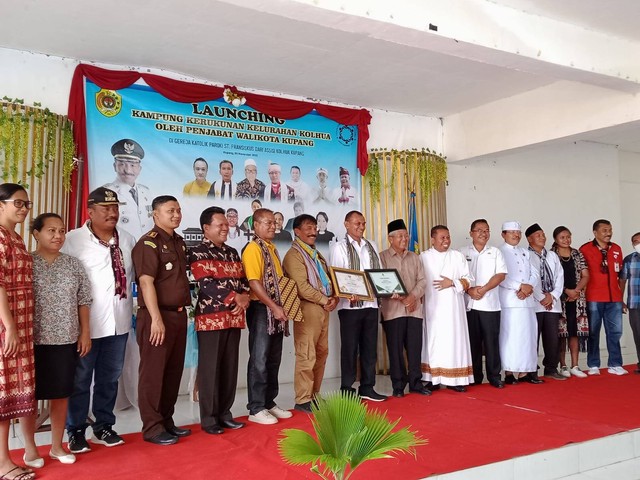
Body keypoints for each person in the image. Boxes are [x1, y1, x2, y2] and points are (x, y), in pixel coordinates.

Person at [62, 187, 135, 453]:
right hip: (87, 325)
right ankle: (76, 430)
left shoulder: (127, 239)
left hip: (119, 323)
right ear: (90, 211)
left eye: (115, 208)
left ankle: (104, 425)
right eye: (106, 209)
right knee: (80, 379)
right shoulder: (73, 240)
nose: (112, 213)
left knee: (109, 378)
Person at [24, 213, 92, 468]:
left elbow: (84, 300)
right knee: (28, 397)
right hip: (31, 340)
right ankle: (30, 449)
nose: (58, 236)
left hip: (65, 339)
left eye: (62, 231)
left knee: (61, 395)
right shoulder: (26, 262)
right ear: (36, 234)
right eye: (51, 231)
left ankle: (56, 446)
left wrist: (85, 332)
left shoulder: (73, 264)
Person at [132, 195, 192, 445]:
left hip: (178, 316)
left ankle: (167, 421)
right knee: (153, 374)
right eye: (170, 211)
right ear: (155, 215)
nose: (176, 215)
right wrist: (156, 320)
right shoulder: (148, 244)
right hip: (157, 317)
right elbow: (145, 282)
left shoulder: (179, 242)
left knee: (172, 373)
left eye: (178, 210)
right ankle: (152, 427)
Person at [188, 206, 250, 434]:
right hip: (211, 321)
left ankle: (225, 413)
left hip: (234, 319)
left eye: (226, 224)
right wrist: (236, 298)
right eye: (220, 225)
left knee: (229, 368)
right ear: (206, 228)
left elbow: (243, 281)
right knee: (210, 370)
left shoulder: (233, 252)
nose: (226, 228)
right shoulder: (197, 252)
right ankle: (209, 419)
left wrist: (244, 298)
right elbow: (207, 284)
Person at [241, 208, 293, 424]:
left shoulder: (271, 248)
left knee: (273, 358)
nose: (272, 226)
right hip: (262, 309)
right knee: (260, 359)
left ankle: (269, 402)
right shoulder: (253, 248)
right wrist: (274, 306)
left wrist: (285, 305)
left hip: (275, 310)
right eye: (267, 223)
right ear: (255, 225)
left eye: (274, 222)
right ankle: (255, 408)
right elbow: (254, 282)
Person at [0, 183, 37, 480]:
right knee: (3, 396)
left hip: (20, 325)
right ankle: (2, 463)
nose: (24, 209)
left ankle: (7, 459)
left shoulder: (16, 238)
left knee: (13, 395)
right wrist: (10, 326)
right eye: (18, 203)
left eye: (27, 204)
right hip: (6, 326)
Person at [283, 214, 338, 413]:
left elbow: (327, 279)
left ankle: (314, 395)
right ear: (297, 231)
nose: (313, 231)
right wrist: (325, 299)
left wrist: (334, 296)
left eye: (314, 227)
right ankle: (303, 399)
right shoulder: (294, 255)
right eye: (308, 227)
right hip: (307, 308)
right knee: (307, 353)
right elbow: (301, 287)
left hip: (323, 307)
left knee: (322, 352)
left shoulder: (315, 253)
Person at [329, 210, 386, 401]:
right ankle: (346, 388)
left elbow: (376, 273)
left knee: (370, 348)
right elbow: (338, 275)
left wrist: (386, 289)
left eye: (363, 223)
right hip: (349, 306)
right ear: (346, 224)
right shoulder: (339, 247)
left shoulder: (372, 245)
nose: (361, 227)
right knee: (350, 348)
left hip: (370, 304)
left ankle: (367, 387)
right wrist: (346, 291)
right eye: (356, 223)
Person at [420, 225, 474, 392]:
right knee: (434, 341)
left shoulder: (457, 256)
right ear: (433, 239)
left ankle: (455, 379)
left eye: (448, 237)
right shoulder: (423, 257)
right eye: (442, 237)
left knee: (453, 341)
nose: (446, 241)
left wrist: (452, 283)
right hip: (432, 307)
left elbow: (469, 279)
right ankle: (432, 379)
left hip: (453, 309)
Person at [379, 219, 429, 397]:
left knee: (415, 349)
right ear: (390, 238)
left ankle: (416, 383)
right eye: (400, 236)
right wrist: (398, 296)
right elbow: (380, 280)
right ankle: (398, 386)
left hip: (414, 309)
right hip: (392, 311)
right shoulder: (382, 257)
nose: (405, 239)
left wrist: (412, 297)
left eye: (406, 235)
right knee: (395, 350)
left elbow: (423, 281)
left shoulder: (415, 257)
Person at [459, 219, 507, 388]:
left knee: (492, 342)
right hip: (469, 306)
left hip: (490, 306)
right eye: (479, 230)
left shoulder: (495, 252)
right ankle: (475, 376)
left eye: (486, 230)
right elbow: (458, 277)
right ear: (471, 233)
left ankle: (494, 376)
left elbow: (500, 275)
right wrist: (469, 290)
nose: (483, 233)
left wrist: (484, 289)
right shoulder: (461, 253)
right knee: (472, 343)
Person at [579, 219, 627, 376]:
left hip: (614, 298)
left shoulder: (617, 249)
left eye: (610, 230)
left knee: (615, 332)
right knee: (593, 332)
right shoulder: (585, 249)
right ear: (595, 232)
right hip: (593, 297)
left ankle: (615, 363)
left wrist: (620, 296)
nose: (609, 233)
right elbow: (581, 274)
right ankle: (593, 364)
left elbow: (621, 274)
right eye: (605, 230)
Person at [498, 221, 543, 384]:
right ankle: (509, 372)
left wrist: (529, 286)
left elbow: (535, 272)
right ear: (503, 234)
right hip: (510, 301)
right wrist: (520, 286)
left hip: (528, 301)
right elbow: (500, 276)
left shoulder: (525, 252)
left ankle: (525, 372)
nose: (516, 235)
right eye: (511, 232)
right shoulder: (499, 252)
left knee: (527, 338)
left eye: (518, 232)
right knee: (511, 338)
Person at [526, 224, 566, 381]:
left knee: (552, 339)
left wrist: (553, 296)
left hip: (552, 305)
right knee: (532, 338)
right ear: (529, 239)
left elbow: (559, 277)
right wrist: (542, 298)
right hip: (535, 304)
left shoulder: (552, 256)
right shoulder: (525, 255)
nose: (542, 237)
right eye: (538, 235)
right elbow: (529, 279)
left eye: (543, 234)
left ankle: (551, 368)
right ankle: (532, 371)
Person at [551, 226, 589, 378]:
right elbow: (551, 278)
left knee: (575, 332)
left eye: (568, 236)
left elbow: (585, 274)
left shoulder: (577, 253)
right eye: (562, 237)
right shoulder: (551, 254)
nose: (566, 240)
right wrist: (567, 291)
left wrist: (577, 291)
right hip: (560, 299)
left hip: (577, 299)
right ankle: (563, 365)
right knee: (561, 333)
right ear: (555, 239)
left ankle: (575, 365)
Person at [104, 138, 153, 240]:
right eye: (122, 164)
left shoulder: (146, 192)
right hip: (120, 251)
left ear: (139, 168)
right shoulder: (106, 192)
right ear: (114, 166)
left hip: (146, 250)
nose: (128, 170)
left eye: (132, 165)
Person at [620, 231, 640, 374]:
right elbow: (622, 281)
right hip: (634, 304)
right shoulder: (628, 260)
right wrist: (620, 300)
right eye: (635, 241)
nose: (638, 243)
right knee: (638, 334)